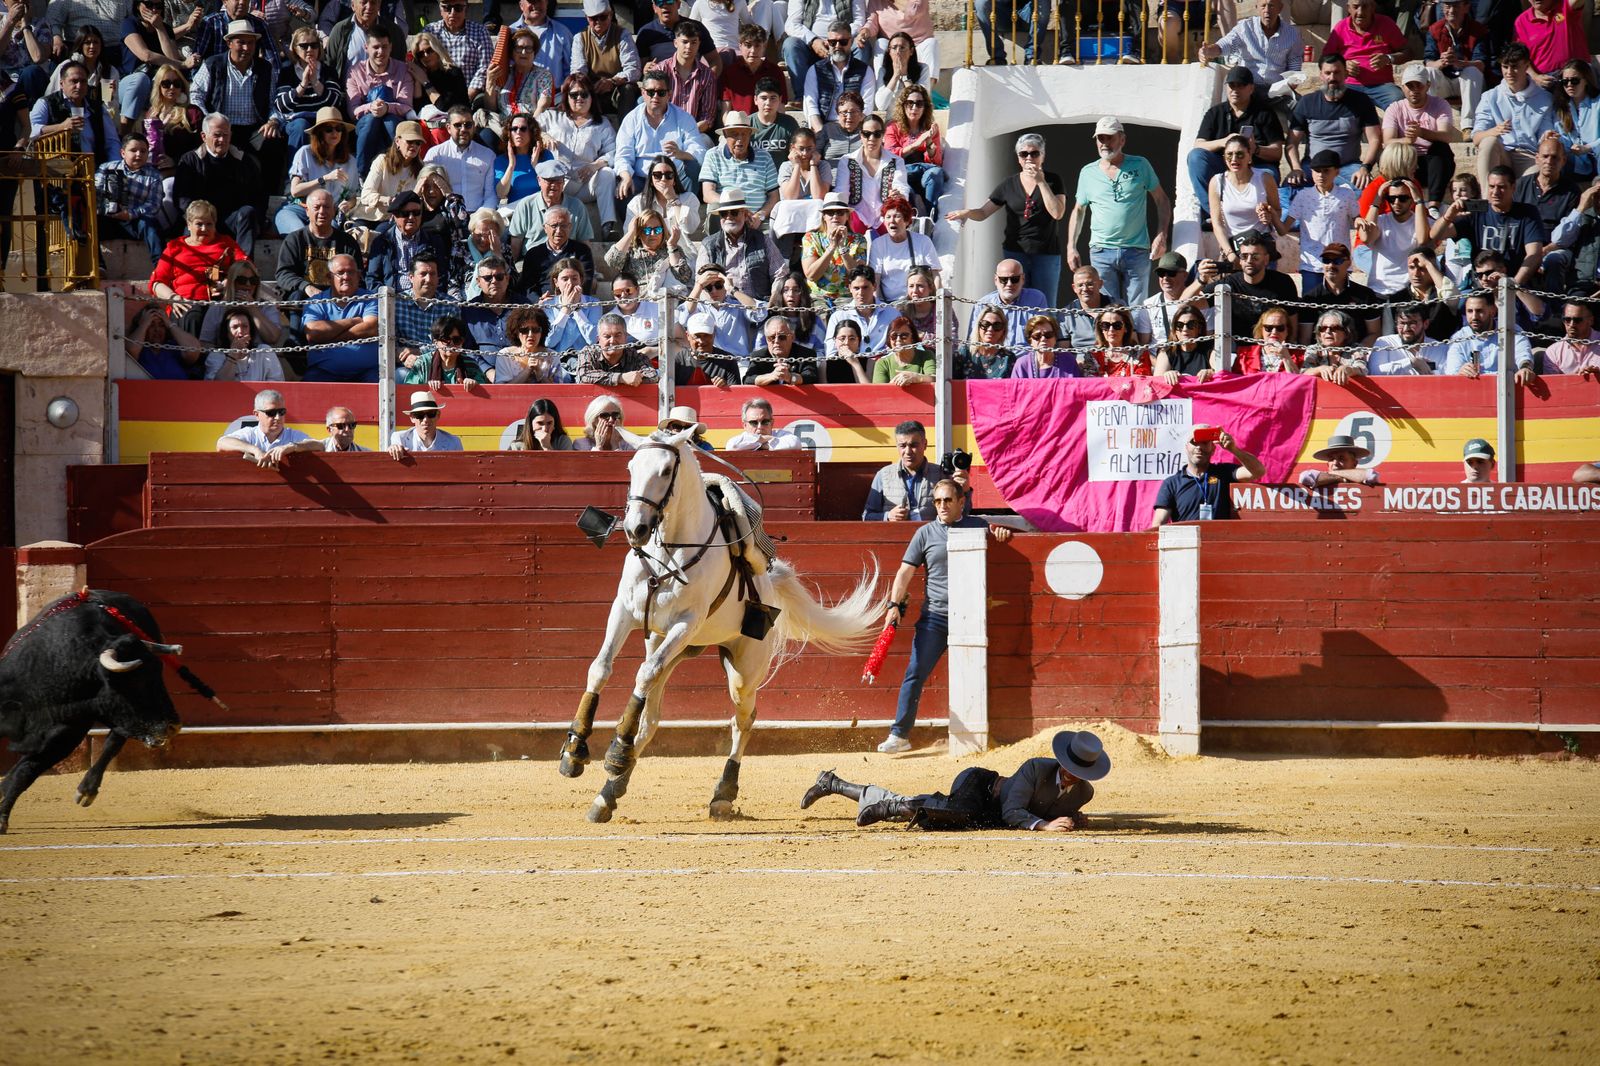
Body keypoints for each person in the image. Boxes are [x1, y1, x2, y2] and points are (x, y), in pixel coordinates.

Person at [869, 476, 1011, 755]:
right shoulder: (925, 533)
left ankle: (989, 733)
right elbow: (904, 572)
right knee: (915, 672)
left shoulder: (979, 526)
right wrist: (893, 605)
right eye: (937, 501)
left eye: (948, 500)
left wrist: (1002, 534)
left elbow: (1006, 536)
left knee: (984, 675)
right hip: (936, 616)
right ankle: (900, 734)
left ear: (961, 502)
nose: (942, 506)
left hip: (972, 616)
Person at [808, 727, 1106, 828]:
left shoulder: (1083, 794)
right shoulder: (1036, 768)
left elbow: (1055, 807)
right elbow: (1013, 811)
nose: (1069, 775)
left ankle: (834, 784)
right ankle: (891, 807)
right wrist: (1044, 825)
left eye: (1077, 773)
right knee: (957, 811)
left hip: (989, 816)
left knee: (946, 817)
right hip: (981, 785)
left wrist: (1074, 820)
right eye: (1069, 767)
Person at [948, 131, 1067, 304]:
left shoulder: (1053, 181)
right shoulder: (1008, 184)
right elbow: (983, 212)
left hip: (1046, 254)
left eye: (1034, 153)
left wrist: (1041, 182)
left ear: (1042, 156)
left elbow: (1057, 212)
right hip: (1016, 252)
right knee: (1014, 302)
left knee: (1045, 305)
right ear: (1018, 158)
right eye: (1023, 154)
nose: (1029, 158)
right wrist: (967, 212)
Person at [1068, 116, 1170, 306]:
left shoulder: (1140, 165)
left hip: (1137, 249)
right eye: (1100, 138)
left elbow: (1162, 200)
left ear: (1122, 140)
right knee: (1107, 311)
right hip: (1101, 251)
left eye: (1109, 138)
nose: (1104, 143)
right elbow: (1079, 210)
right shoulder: (1087, 172)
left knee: (1139, 310)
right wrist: (1071, 246)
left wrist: (1161, 235)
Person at [188, 20, 284, 186]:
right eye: (241, 42)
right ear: (229, 43)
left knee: (273, 142)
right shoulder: (213, 64)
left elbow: (272, 102)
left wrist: (273, 121)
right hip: (222, 128)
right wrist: (209, 120)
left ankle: (270, 197)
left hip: (254, 129)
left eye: (251, 43)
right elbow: (195, 94)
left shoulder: (265, 68)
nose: (246, 48)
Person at [1188, 65, 1286, 221]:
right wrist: (1224, 142)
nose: (1235, 90)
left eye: (1240, 85)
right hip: (1225, 165)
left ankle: (1262, 216)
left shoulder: (1265, 113)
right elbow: (1198, 145)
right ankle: (1214, 213)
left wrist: (1255, 149)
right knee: (1196, 157)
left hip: (1257, 166)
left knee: (1270, 175)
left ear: (1251, 88)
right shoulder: (1216, 112)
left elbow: (1277, 152)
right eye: (1231, 85)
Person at [1430, 164, 1547, 288]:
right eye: (1492, 186)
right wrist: (1448, 216)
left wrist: (1512, 284)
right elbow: (1435, 235)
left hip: (1515, 282)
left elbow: (1534, 254)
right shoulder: (1476, 211)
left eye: (1501, 187)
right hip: (1481, 284)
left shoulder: (1527, 213)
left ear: (1513, 188)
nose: (1495, 192)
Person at [1283, 53, 1382, 191]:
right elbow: (1292, 143)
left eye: (1337, 72)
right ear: (1321, 75)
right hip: (1312, 167)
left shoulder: (1361, 102)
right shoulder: (1307, 103)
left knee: (1365, 189)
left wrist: (1365, 168)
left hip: (1348, 167)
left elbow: (1375, 139)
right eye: (1328, 73)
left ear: (1346, 74)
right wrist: (1296, 168)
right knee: (1288, 190)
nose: (1332, 78)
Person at [173, 112, 263, 255]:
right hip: (202, 219)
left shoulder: (243, 160)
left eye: (226, 135)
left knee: (248, 213)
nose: (222, 140)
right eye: (217, 135)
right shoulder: (190, 160)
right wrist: (202, 218)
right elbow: (182, 199)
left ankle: (243, 269)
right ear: (204, 136)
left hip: (232, 218)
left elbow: (258, 195)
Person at [543, 72, 620, 238]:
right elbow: (529, 127)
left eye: (584, 94)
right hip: (557, 183)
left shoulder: (602, 124)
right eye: (574, 94)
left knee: (607, 174)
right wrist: (543, 135)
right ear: (566, 97)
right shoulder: (553, 117)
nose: (579, 98)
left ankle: (608, 227)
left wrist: (595, 166)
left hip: (585, 183)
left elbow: (614, 152)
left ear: (592, 97)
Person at [1471, 43, 1557, 192]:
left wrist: (1547, 136)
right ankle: (1488, 201)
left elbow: (1545, 131)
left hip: (1530, 156)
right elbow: (1477, 137)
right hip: (1502, 153)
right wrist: (1493, 131)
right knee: (1489, 142)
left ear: (1526, 66)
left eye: (1515, 66)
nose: (1509, 72)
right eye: (1505, 67)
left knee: (1535, 175)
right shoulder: (1490, 97)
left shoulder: (1545, 98)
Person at [615, 67, 711, 196]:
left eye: (661, 92)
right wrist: (626, 177)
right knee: (622, 189)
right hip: (642, 179)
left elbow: (699, 151)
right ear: (643, 93)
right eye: (650, 92)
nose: (655, 97)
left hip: (673, 178)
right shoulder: (631, 119)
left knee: (692, 167)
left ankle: (683, 208)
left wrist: (681, 153)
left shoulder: (684, 117)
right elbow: (623, 155)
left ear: (669, 94)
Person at [149, 199, 245, 326]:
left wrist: (228, 282)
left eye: (209, 224)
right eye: (199, 224)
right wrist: (174, 298)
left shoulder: (226, 242)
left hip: (220, 301)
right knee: (192, 316)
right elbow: (157, 282)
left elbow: (246, 266)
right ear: (189, 225)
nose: (204, 228)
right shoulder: (175, 246)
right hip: (186, 303)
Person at [1186, 232, 1301, 335]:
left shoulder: (1283, 282)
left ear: (1266, 259)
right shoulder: (1228, 284)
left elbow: (1292, 323)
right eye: (1244, 256)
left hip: (1270, 349)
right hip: (1237, 350)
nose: (1249, 261)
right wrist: (1201, 280)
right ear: (1240, 260)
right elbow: (1185, 304)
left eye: (1255, 256)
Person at [1284, 149, 1362, 294]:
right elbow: (1283, 229)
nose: (1321, 175)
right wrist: (1270, 215)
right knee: (1312, 309)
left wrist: (1361, 222)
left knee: (1339, 308)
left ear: (1336, 172)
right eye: (1317, 170)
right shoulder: (1302, 196)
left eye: (1326, 170)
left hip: (1339, 262)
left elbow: (1355, 217)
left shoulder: (1346, 194)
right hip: (1311, 265)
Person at [1151, 426, 1265, 525]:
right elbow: (1159, 523)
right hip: (1186, 547)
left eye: (1205, 442)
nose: (1199, 447)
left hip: (1218, 547)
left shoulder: (1224, 473)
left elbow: (1258, 472)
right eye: (1194, 442)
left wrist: (1233, 449)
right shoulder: (1172, 483)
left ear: (1213, 449)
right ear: (1186, 447)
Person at [1197, 0, 1302, 102]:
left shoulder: (1292, 34)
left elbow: (1294, 65)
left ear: (1280, 8)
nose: (1267, 10)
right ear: (1256, 8)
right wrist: (1208, 51)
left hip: (1277, 91)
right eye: (1263, 6)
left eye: (1271, 6)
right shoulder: (1244, 27)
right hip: (1248, 88)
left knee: (1301, 107)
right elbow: (1225, 45)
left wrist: (1292, 82)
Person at [1513, 134, 1578, 294]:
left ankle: (1554, 309)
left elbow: (1571, 234)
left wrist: (1542, 252)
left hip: (1555, 247)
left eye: (1555, 157)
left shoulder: (1572, 191)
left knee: (1554, 260)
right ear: (1537, 158)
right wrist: (1532, 253)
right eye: (1545, 156)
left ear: (1563, 161)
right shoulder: (1521, 185)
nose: (1549, 161)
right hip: (1524, 245)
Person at [302, 254, 381, 382]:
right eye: (340, 273)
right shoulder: (316, 301)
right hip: (323, 372)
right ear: (329, 277)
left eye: (351, 272)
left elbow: (371, 328)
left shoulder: (370, 298)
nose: (346, 277)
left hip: (367, 373)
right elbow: (314, 333)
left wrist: (329, 338)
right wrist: (353, 321)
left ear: (358, 275)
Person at [347, 30, 413, 179]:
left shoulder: (402, 69)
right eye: (376, 47)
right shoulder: (355, 71)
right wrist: (371, 107)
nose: (380, 52)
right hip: (366, 122)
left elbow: (406, 105)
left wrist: (387, 107)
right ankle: (362, 175)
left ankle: (401, 170)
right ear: (366, 48)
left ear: (391, 47)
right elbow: (353, 109)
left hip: (394, 119)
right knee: (372, 120)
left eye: (384, 47)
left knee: (389, 121)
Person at [1207, 134, 1282, 266]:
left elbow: (1277, 210)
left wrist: (1269, 215)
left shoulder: (1265, 178)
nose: (1234, 159)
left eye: (1240, 154)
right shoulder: (1217, 182)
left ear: (1249, 156)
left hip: (1261, 248)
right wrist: (1229, 253)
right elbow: (1217, 223)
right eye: (1229, 155)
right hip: (1234, 249)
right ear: (1224, 158)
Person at [95, 132, 167, 264]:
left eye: (143, 151)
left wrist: (130, 214)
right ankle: (99, 265)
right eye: (133, 150)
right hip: (108, 220)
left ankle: (161, 267)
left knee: (150, 225)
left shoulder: (154, 175)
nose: (139, 154)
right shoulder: (106, 168)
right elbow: (96, 196)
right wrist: (108, 210)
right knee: (90, 223)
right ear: (123, 153)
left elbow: (154, 205)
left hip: (134, 222)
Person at [696, 197, 789, 299]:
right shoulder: (709, 245)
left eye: (734, 213)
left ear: (745, 215)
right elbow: (701, 280)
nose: (728, 217)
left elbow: (780, 274)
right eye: (724, 214)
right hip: (723, 307)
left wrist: (773, 300)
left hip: (758, 306)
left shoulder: (763, 240)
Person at [274, 27, 346, 157]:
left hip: (323, 119)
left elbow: (334, 102)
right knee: (301, 126)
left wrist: (315, 82)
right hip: (296, 121)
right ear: (295, 48)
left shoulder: (328, 71)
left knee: (329, 128)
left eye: (314, 45)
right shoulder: (287, 72)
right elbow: (282, 106)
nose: (309, 50)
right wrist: (303, 84)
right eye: (304, 46)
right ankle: (296, 175)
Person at [1324, 0, 1409, 111]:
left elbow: (1408, 52)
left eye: (1365, 7)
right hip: (1348, 85)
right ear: (1348, 8)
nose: (1360, 12)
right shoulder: (1341, 27)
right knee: (1331, 101)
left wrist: (1388, 58)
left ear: (1373, 7)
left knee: (1399, 101)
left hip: (1382, 86)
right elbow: (1326, 58)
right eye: (1355, 7)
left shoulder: (1386, 23)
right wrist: (1342, 65)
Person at [1356, 177, 1432, 296]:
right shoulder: (1381, 220)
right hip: (1379, 289)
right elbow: (1366, 238)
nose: (1396, 203)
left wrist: (1419, 202)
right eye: (1391, 199)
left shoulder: (1421, 222)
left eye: (1402, 198)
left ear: (1412, 199)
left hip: (1407, 291)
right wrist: (1376, 201)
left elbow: (1422, 239)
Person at [1423, 0, 1489, 129]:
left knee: (1472, 72)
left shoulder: (1478, 30)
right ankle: (1431, 123)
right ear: (1442, 8)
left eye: (1456, 6)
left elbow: (1481, 64)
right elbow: (1428, 61)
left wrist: (1460, 63)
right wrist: (1441, 62)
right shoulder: (1435, 29)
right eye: (1448, 6)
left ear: (1466, 7)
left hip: (1469, 85)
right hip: (1445, 83)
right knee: (1429, 72)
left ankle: (1468, 126)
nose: (1451, 11)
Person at [1444, 291, 1537, 383]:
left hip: (1508, 388)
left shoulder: (1511, 330)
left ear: (1493, 311)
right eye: (1469, 311)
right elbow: (1452, 372)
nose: (1474, 317)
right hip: (1473, 390)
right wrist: (1461, 372)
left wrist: (1525, 368)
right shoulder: (1459, 337)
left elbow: (1523, 354)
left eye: (1479, 311)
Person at [1298, 242, 1382, 345]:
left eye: (1337, 261)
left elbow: (1374, 333)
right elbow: (1305, 338)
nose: (1331, 265)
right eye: (1326, 260)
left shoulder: (1365, 295)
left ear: (1349, 263)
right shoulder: (1310, 298)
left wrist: (1358, 351)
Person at [700, 109, 778, 217]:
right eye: (734, 134)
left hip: (756, 221)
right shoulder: (713, 155)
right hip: (726, 217)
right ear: (725, 135)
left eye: (744, 134)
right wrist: (736, 209)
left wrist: (758, 217)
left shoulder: (764, 157)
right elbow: (708, 194)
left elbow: (774, 196)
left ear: (750, 134)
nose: (740, 139)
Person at [574, 0, 644, 120]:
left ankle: (625, 131)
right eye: (593, 18)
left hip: (617, 88)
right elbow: (578, 71)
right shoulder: (580, 38)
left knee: (628, 89)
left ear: (610, 15)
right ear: (586, 17)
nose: (598, 21)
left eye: (603, 17)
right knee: (578, 89)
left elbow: (634, 70)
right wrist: (590, 86)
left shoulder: (623, 34)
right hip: (592, 89)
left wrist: (612, 81)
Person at [801, 19, 873, 134]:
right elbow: (811, 107)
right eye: (833, 42)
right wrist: (821, 133)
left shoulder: (865, 71)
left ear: (851, 42)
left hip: (854, 129)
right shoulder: (815, 70)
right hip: (824, 128)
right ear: (827, 43)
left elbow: (866, 109)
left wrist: (850, 132)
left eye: (843, 42)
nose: (837, 46)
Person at [508, 160, 594, 256]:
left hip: (566, 262)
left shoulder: (576, 206)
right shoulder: (526, 205)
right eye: (549, 180)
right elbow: (515, 243)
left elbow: (584, 242)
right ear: (539, 180)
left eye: (558, 180)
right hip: (532, 261)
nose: (554, 185)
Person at [216, 389, 316, 470]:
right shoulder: (250, 433)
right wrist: (255, 450)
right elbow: (221, 443)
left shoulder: (292, 435)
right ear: (257, 415)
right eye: (271, 413)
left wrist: (292, 446)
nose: (278, 417)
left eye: (281, 412)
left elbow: (319, 445)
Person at [884, 82, 942, 219]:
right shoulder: (893, 127)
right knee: (906, 190)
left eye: (919, 104)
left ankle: (930, 216)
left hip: (925, 170)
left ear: (925, 107)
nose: (914, 107)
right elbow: (890, 154)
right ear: (903, 105)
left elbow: (937, 162)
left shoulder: (930, 128)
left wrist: (929, 146)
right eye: (910, 103)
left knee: (936, 173)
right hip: (902, 170)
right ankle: (913, 215)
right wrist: (916, 144)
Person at [644, 16, 711, 133]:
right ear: (675, 43)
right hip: (662, 129)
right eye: (684, 42)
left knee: (705, 143)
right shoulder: (661, 69)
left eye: (693, 42)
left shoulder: (707, 75)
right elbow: (653, 107)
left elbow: (707, 117)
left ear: (699, 44)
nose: (689, 47)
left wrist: (688, 132)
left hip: (694, 131)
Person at [423, 106, 497, 213]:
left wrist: (481, 216)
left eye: (468, 125)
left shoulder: (488, 155)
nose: (463, 129)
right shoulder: (435, 155)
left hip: (478, 216)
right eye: (457, 125)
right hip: (445, 216)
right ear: (448, 128)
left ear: (474, 127)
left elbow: (490, 194)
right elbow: (427, 192)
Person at [862, 419, 938, 521]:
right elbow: (866, 516)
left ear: (925, 444)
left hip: (930, 536)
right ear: (897, 446)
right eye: (902, 446)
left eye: (914, 445)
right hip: (895, 536)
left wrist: (964, 491)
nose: (908, 451)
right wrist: (888, 516)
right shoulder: (883, 475)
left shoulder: (941, 474)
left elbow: (959, 515)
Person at [353, 120, 426, 224]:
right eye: (410, 141)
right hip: (369, 215)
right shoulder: (382, 161)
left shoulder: (422, 169)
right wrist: (388, 200)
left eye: (418, 143)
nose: (414, 146)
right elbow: (366, 195)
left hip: (399, 220)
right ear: (397, 141)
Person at [800, 190, 866, 303]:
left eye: (840, 212)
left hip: (848, 298)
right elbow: (811, 275)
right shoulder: (810, 238)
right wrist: (831, 247)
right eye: (830, 212)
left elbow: (858, 277)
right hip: (818, 297)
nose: (835, 216)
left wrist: (842, 248)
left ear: (847, 216)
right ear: (824, 217)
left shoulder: (859, 240)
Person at [1386, 244, 1461, 340]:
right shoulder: (1396, 299)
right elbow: (1389, 337)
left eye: (1422, 268)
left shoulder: (1442, 296)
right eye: (1412, 268)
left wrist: (1428, 263)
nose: (1416, 274)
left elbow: (1451, 295)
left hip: (1440, 351)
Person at [1135, 253, 1209, 347]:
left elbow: (1208, 339)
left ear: (1185, 275)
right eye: (1161, 274)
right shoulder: (1148, 305)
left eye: (1171, 273)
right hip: (1158, 359)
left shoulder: (1201, 302)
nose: (1165, 278)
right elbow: (1144, 345)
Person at [424, 0, 493, 95]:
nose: (453, 13)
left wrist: (467, 97)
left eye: (458, 8)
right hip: (436, 94)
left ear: (466, 9)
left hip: (471, 93)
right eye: (447, 8)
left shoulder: (480, 32)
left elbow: (484, 67)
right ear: (440, 9)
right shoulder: (430, 31)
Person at [978, 260, 1050, 349]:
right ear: (996, 280)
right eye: (1003, 279)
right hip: (995, 358)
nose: (1009, 284)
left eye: (1014, 279)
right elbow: (974, 340)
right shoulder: (983, 304)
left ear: (1023, 279)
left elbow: (1042, 338)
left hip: (1027, 359)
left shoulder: (1036, 299)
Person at [1517, 0, 1589, 89]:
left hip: (1577, 76)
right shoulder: (1521, 21)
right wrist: (1535, 76)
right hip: (1546, 82)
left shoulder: (1565, 6)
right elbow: (1519, 55)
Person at [719, 25, 786, 117]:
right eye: (748, 45)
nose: (753, 51)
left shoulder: (775, 72)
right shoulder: (730, 72)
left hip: (768, 126)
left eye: (757, 46)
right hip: (739, 127)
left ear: (764, 46)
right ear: (740, 46)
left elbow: (781, 108)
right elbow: (725, 112)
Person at [404, 316, 488, 389]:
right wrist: (427, 387)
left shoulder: (471, 364)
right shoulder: (423, 363)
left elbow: (485, 390)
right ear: (435, 342)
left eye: (456, 340)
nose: (451, 344)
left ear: (462, 342)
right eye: (445, 339)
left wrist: (474, 384)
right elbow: (410, 389)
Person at [577, 312, 660, 386]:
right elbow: (583, 376)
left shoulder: (635, 355)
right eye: (607, 336)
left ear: (626, 337)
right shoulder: (588, 352)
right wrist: (621, 378)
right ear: (598, 339)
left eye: (618, 335)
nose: (612, 341)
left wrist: (634, 378)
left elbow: (652, 376)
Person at [203, 307, 283, 382]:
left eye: (245, 326)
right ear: (226, 332)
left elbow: (277, 383)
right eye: (235, 327)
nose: (240, 331)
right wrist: (233, 356)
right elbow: (217, 387)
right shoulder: (216, 356)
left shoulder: (264, 352)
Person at [124, 304, 203, 379]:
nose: (157, 330)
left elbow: (193, 350)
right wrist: (144, 324)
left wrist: (169, 324)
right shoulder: (140, 350)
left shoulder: (174, 347)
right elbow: (131, 350)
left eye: (161, 325)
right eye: (151, 325)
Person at [1370, 304, 1447, 374]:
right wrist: (1411, 362)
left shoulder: (1440, 348)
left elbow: (1447, 376)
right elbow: (1375, 371)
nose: (1406, 329)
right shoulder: (1384, 343)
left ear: (1425, 324)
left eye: (1412, 323)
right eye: (1402, 323)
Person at [1556, 60, 1600, 180]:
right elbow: (1565, 140)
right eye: (1565, 82)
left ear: (1586, 80)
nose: (1569, 85)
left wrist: (1588, 147)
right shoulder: (1562, 107)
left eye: (1574, 81)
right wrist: (1555, 138)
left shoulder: (1598, 102)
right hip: (1577, 161)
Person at [746, 313, 818, 385]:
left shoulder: (806, 354)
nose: (776, 341)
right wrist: (772, 376)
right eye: (772, 337)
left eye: (782, 337)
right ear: (766, 339)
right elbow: (748, 380)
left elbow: (811, 377)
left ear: (792, 337)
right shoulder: (758, 356)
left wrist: (790, 377)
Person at [390, 390, 465, 458]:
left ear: (438, 415)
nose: (425, 420)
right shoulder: (400, 439)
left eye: (430, 414)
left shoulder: (454, 442)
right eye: (420, 415)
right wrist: (394, 448)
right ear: (412, 418)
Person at [1300, 309, 1369, 382]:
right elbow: (1303, 372)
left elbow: (1362, 369)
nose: (1328, 331)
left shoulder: (1356, 349)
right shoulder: (1314, 349)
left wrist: (1348, 369)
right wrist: (1319, 369)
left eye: (1334, 328)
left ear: (1347, 332)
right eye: (1323, 328)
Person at [1155, 302, 1217, 383]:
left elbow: (1220, 373)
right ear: (1174, 330)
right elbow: (1156, 383)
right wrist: (1167, 375)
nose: (1185, 329)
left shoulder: (1210, 347)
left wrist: (1211, 373)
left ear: (1200, 328)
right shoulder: (1167, 350)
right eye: (1179, 325)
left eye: (1191, 324)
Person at [1228, 305, 1301, 373]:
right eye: (1268, 328)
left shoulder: (1300, 356)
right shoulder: (1244, 354)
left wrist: (1286, 358)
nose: (1274, 332)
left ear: (1287, 331)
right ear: (1261, 330)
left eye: (1280, 328)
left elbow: (1299, 383)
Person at [1298, 432, 1380, 491]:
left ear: (1354, 463)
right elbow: (1305, 477)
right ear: (1328, 464)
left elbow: (1371, 475)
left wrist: (1334, 474)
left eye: (1341, 458)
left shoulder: (1324, 476)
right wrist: (1341, 478)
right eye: (1331, 459)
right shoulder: (1323, 477)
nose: (1335, 463)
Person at [956, 306, 1017, 380]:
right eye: (985, 324)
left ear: (1003, 330)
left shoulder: (1008, 359)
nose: (990, 329)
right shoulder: (964, 353)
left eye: (997, 325)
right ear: (978, 327)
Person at [1011, 314, 1081, 379]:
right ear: (1030, 340)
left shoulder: (1067, 360)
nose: (1043, 339)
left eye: (1048, 335)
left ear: (1055, 338)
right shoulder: (1022, 364)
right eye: (1037, 336)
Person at [1540, 300, 1600, 375]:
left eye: (1577, 320)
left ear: (1591, 321)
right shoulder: (1553, 352)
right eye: (1567, 319)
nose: (1571, 324)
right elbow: (1553, 385)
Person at [750, 77, 800, 168]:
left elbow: (797, 153)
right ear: (755, 100)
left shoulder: (789, 123)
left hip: (782, 178)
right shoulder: (747, 123)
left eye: (773, 98)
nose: (768, 103)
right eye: (763, 98)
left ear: (780, 99)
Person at [1085, 307, 1150, 377]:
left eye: (1117, 325)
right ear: (1101, 329)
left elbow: (1142, 383)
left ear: (1126, 328)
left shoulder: (1139, 355)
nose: (1111, 330)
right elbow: (1090, 384)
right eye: (1105, 325)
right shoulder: (1093, 355)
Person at [870, 315, 934, 385]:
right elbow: (879, 392)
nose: (898, 340)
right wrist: (896, 382)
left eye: (904, 336)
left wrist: (915, 377)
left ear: (912, 338)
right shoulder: (883, 363)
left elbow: (934, 378)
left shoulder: (926, 356)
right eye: (894, 336)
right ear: (889, 339)